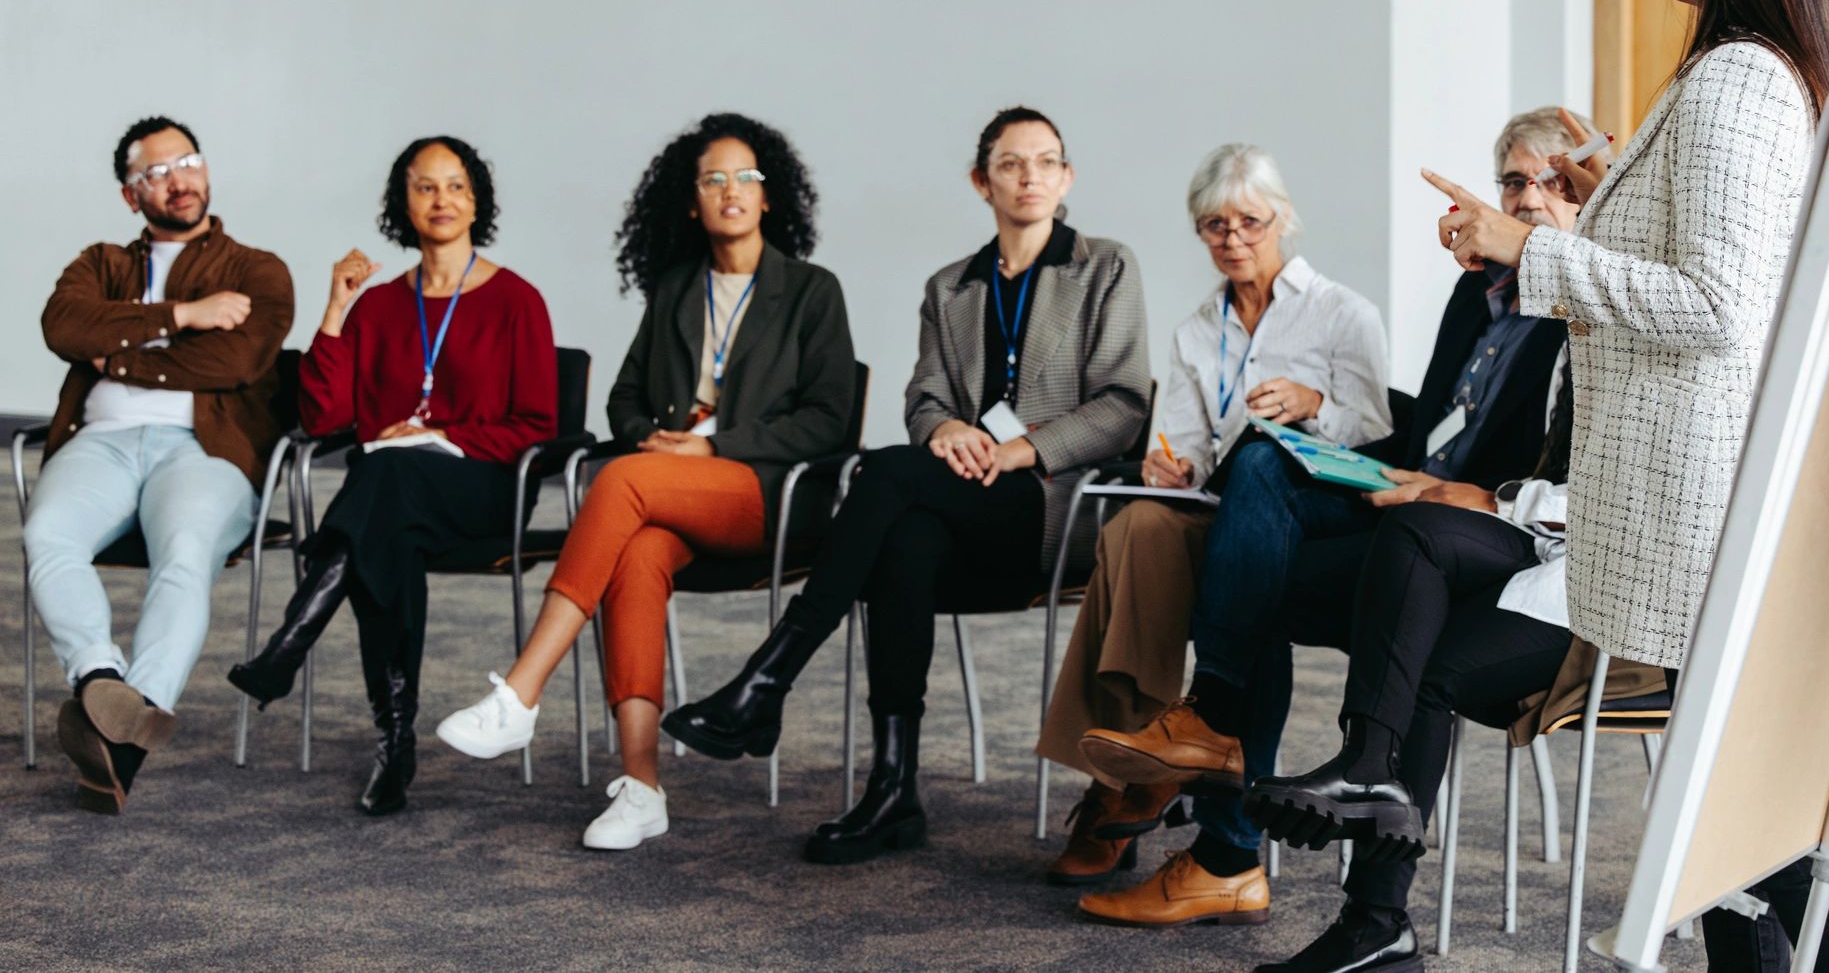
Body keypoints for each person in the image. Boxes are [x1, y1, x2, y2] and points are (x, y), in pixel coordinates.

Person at [1375, 0, 1829, 972]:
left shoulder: (1737, 82)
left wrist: (1527, 242)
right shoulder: (1747, 74)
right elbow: (1710, 254)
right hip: (1691, 503)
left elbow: (1716, 300)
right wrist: (1603, 193)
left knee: (1759, 837)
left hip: (1694, 506)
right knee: (1737, 831)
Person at [1076, 109, 1601, 933]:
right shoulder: (1476, 292)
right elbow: (1429, 423)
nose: (1529, 199)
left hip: (1498, 532)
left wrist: (1463, 487)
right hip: (1417, 495)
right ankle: (1224, 816)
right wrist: (1354, 455)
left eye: (1552, 182)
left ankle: (1235, 828)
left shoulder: (1587, 306)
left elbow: (1554, 472)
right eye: (1513, 180)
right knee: (1262, 499)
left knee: (1270, 554)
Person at [662, 106, 1152, 865]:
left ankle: (769, 679)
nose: (1030, 177)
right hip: (956, 507)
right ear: (980, 181)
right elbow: (925, 398)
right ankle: (893, 790)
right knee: (904, 540)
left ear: (1067, 178)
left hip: (1051, 506)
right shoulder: (949, 286)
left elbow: (1123, 407)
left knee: (883, 472)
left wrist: (1019, 450)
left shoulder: (1105, 267)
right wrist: (946, 432)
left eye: (1046, 162)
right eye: (1011, 164)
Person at [433, 114, 857, 851]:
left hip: (770, 498)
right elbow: (624, 399)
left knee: (623, 485)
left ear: (770, 197)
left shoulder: (812, 291)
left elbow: (828, 420)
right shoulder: (675, 290)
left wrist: (712, 446)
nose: (731, 190)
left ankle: (522, 691)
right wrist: (654, 439)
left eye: (745, 178)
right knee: (633, 554)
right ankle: (641, 788)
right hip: (674, 491)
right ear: (691, 202)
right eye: (713, 179)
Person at [1035, 143, 1390, 885]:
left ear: (1284, 219)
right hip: (1225, 507)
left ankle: (1164, 751)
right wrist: (1174, 465)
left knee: (1263, 456)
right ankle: (1141, 754)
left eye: (1250, 222)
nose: (1233, 239)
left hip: (1322, 509)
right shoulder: (1198, 330)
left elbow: (1379, 433)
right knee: (1135, 522)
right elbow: (1187, 446)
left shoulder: (1342, 312)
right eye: (1213, 226)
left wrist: (1312, 405)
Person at [228, 136, 557, 817]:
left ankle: (290, 647)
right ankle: (395, 743)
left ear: (478, 201)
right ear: (402, 203)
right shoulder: (377, 305)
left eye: (457, 186)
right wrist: (337, 308)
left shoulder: (517, 300)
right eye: (425, 187)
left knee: (387, 480)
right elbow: (324, 417)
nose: (442, 200)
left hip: (482, 488)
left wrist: (439, 436)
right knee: (386, 522)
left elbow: (538, 425)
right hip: (393, 501)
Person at [26, 117, 294, 813]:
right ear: (130, 194)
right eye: (157, 172)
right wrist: (186, 312)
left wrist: (115, 357)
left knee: (186, 550)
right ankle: (101, 683)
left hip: (204, 450)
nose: (179, 179)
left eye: (189, 162)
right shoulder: (100, 263)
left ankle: (127, 727)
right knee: (47, 534)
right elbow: (63, 326)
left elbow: (235, 361)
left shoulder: (256, 269)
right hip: (102, 443)